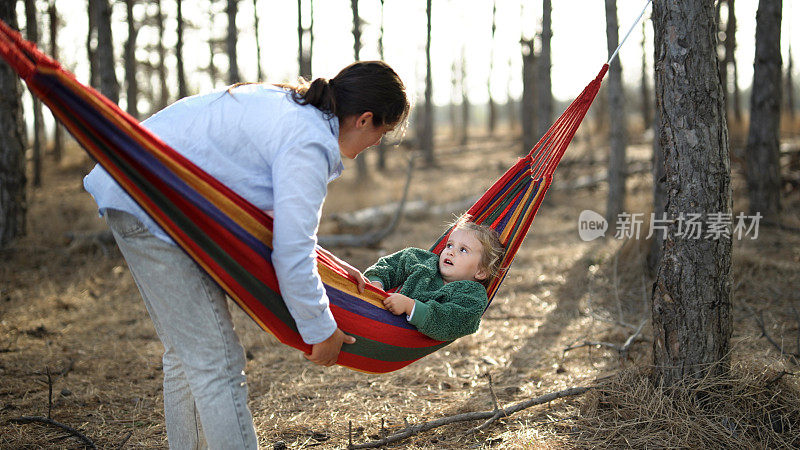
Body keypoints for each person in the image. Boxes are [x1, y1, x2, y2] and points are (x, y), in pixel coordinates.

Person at [83, 61, 409, 449]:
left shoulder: (292, 108)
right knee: (217, 364)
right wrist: (320, 329)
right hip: (152, 204)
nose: (376, 144)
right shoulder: (309, 141)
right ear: (365, 119)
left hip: (139, 192)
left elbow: (271, 223)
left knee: (189, 358)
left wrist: (334, 269)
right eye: (382, 133)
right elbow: (289, 252)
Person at [363, 218, 504, 342]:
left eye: (463, 250)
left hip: (398, 336)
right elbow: (392, 265)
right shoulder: (425, 262)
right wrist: (376, 283)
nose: (451, 251)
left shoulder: (473, 295)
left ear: (480, 272)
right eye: (449, 245)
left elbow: (450, 321)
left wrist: (410, 306)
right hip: (372, 312)